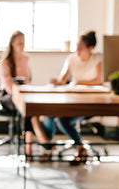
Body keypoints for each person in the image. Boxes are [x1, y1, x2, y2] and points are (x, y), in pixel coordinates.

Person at [43, 30, 102, 164]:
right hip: (73, 100)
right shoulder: (72, 59)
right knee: (54, 115)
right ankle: (49, 147)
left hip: (90, 102)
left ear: (90, 48)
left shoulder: (97, 59)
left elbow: (99, 81)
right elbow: (62, 80)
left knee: (63, 121)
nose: (77, 50)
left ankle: (79, 146)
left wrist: (80, 82)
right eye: (77, 46)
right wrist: (55, 82)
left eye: (81, 48)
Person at [0, 30, 53, 158]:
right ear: (12, 44)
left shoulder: (25, 58)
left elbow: (27, 80)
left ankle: (32, 148)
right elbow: (8, 85)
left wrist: (25, 95)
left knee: (31, 108)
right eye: (19, 43)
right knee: (27, 109)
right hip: (8, 96)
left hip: (23, 93)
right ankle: (39, 141)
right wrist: (20, 97)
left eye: (23, 43)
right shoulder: (4, 62)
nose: (22, 46)